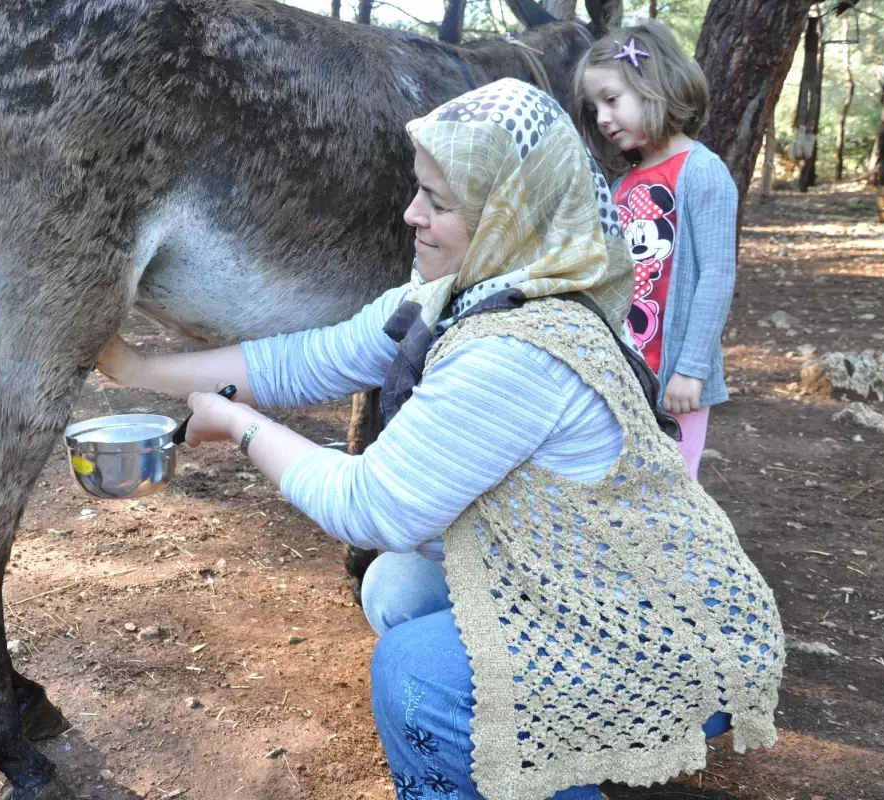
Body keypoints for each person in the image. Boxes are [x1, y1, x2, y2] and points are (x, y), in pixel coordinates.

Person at [97, 78, 783, 800]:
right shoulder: (462, 291)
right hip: (583, 586)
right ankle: (542, 750)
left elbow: (370, 507)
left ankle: (543, 770)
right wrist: (133, 367)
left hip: (673, 646)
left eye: (439, 202)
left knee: (416, 672)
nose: (410, 214)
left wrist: (240, 426)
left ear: (505, 212)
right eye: (418, 190)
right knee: (399, 584)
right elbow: (308, 359)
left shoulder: (518, 348)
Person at [574, 21, 738, 480]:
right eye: (595, 107)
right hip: (620, 373)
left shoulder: (702, 173)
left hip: (673, 377)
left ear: (656, 86)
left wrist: (691, 369)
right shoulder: (621, 184)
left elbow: (716, 276)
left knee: (669, 487)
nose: (603, 118)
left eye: (612, 99)